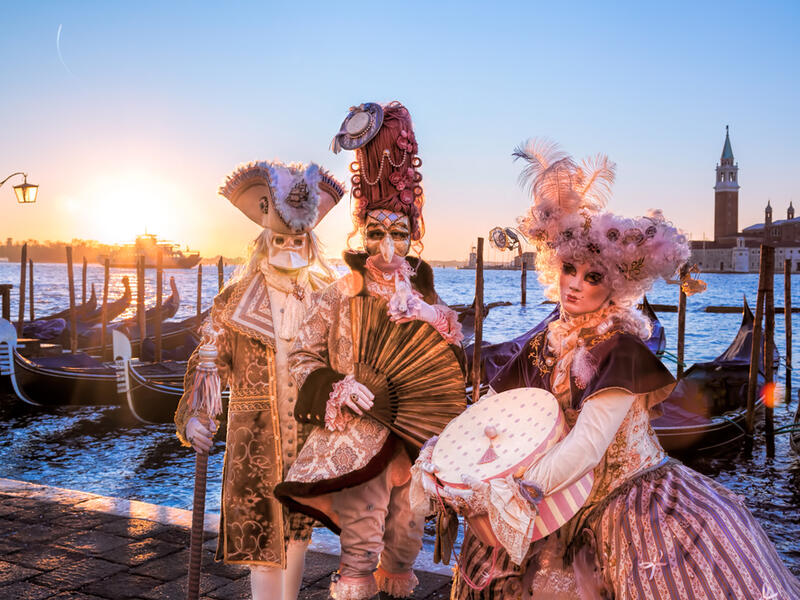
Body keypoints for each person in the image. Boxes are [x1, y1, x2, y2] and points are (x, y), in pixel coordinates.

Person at [415, 140, 800, 599]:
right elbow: (494, 411)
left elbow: (589, 446)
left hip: (625, 499)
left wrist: (515, 490)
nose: (576, 283)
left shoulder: (620, 350)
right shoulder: (545, 340)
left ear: (615, 283)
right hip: (556, 503)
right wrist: (448, 452)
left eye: (593, 276)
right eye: (570, 269)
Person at [274, 102, 463, 600]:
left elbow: (448, 364)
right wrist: (338, 386)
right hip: (358, 434)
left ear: (411, 236)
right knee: (361, 545)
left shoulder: (429, 301)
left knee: (404, 542)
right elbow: (302, 357)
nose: (385, 249)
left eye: (397, 235)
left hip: (419, 438)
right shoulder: (337, 295)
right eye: (376, 233)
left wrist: (433, 320)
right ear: (362, 234)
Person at [174, 160, 345, 600]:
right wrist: (196, 416)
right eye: (280, 239)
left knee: (298, 537)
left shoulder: (326, 300)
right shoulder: (235, 300)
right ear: (264, 242)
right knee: (264, 544)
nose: (289, 246)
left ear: (310, 243)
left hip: (308, 439)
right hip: (256, 442)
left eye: (297, 239)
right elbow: (209, 362)